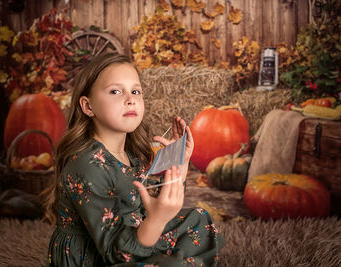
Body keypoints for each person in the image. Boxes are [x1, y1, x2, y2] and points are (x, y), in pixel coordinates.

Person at [42, 53, 225, 266]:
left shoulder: (130, 153)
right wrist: (157, 220)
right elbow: (115, 251)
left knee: (198, 219)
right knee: (170, 264)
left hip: (134, 235)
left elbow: (148, 201)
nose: (130, 99)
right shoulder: (86, 166)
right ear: (88, 106)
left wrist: (180, 164)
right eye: (115, 91)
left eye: (135, 91)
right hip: (98, 255)